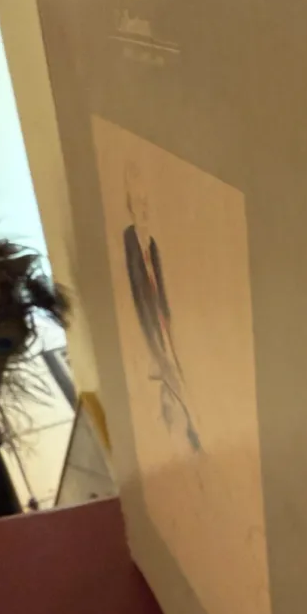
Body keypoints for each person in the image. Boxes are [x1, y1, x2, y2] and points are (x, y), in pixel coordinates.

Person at [123, 161, 200, 451]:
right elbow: (137, 291)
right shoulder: (130, 239)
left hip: (163, 322)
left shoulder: (152, 242)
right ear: (130, 205)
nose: (144, 209)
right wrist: (152, 341)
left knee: (177, 374)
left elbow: (161, 286)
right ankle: (186, 432)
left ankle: (189, 430)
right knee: (169, 377)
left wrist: (167, 318)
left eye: (146, 202)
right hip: (151, 328)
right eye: (138, 202)